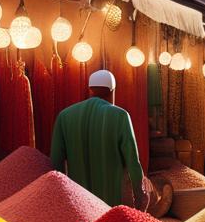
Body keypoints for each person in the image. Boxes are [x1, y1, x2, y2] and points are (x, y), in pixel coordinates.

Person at [50, 69, 146, 207]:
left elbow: (56, 163)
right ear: (112, 91)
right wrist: (140, 198)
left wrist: (60, 201)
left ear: (90, 90)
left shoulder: (64, 116)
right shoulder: (120, 116)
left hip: (78, 204)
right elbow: (133, 163)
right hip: (109, 206)